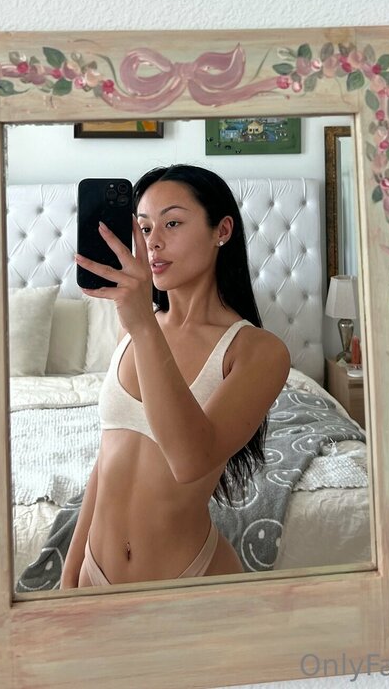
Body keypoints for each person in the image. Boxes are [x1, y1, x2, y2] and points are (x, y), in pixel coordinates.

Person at [60, 163, 291, 588]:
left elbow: (189, 461)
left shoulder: (258, 351)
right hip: (95, 571)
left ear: (222, 231)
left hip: (189, 581)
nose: (153, 242)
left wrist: (143, 325)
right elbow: (108, 460)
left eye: (172, 223)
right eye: (145, 228)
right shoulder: (134, 330)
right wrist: (71, 570)